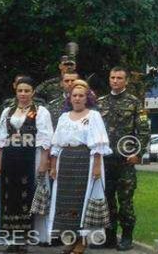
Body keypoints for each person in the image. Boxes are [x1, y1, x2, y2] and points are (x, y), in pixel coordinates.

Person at [46, 80, 111, 254]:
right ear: (70, 97)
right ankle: (72, 239)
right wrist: (53, 166)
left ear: (87, 97)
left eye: (81, 95)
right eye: (74, 95)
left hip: (85, 162)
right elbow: (56, 144)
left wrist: (97, 167)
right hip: (65, 161)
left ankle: (82, 241)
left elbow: (98, 143)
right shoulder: (63, 117)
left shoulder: (94, 116)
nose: (77, 98)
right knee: (66, 202)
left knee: (83, 202)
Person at [0, 77, 53, 253]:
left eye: (27, 91)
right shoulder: (8, 111)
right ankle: (11, 239)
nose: (23, 94)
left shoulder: (40, 112)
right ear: (16, 92)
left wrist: (43, 163)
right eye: (20, 91)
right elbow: (0, 137)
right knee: (9, 196)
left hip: (31, 157)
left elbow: (45, 138)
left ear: (33, 92)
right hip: (10, 158)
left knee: (28, 196)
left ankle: (25, 239)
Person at [96, 67, 147, 251]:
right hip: (106, 160)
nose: (115, 81)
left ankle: (126, 237)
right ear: (109, 79)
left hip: (125, 161)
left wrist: (137, 154)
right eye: (112, 77)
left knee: (125, 202)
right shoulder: (100, 102)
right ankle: (109, 237)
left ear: (126, 81)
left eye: (119, 78)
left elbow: (143, 131)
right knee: (107, 200)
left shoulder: (134, 103)